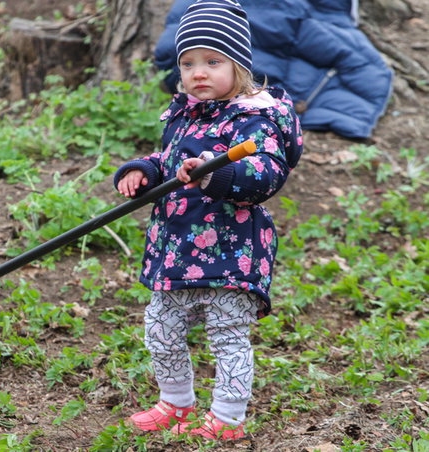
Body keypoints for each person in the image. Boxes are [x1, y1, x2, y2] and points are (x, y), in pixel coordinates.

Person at [114, 0, 303, 441]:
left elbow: (265, 173)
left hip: (232, 251)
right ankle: (175, 404)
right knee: (160, 328)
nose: (198, 72)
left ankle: (227, 419)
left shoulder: (254, 117)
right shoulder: (185, 113)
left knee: (227, 336)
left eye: (212, 61)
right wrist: (145, 170)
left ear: (238, 66)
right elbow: (170, 160)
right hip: (177, 247)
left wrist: (216, 173)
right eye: (188, 62)